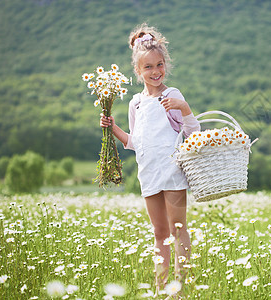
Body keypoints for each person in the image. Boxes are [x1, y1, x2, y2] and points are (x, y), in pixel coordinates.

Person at [100, 23, 200, 293]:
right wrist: (113, 128)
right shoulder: (136, 103)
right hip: (148, 173)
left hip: (171, 171)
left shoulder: (172, 96)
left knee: (178, 229)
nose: (155, 72)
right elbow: (136, 142)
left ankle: (180, 290)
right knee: (159, 234)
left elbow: (193, 133)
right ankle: (161, 289)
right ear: (138, 70)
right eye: (148, 67)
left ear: (164, 64)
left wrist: (185, 108)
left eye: (159, 65)